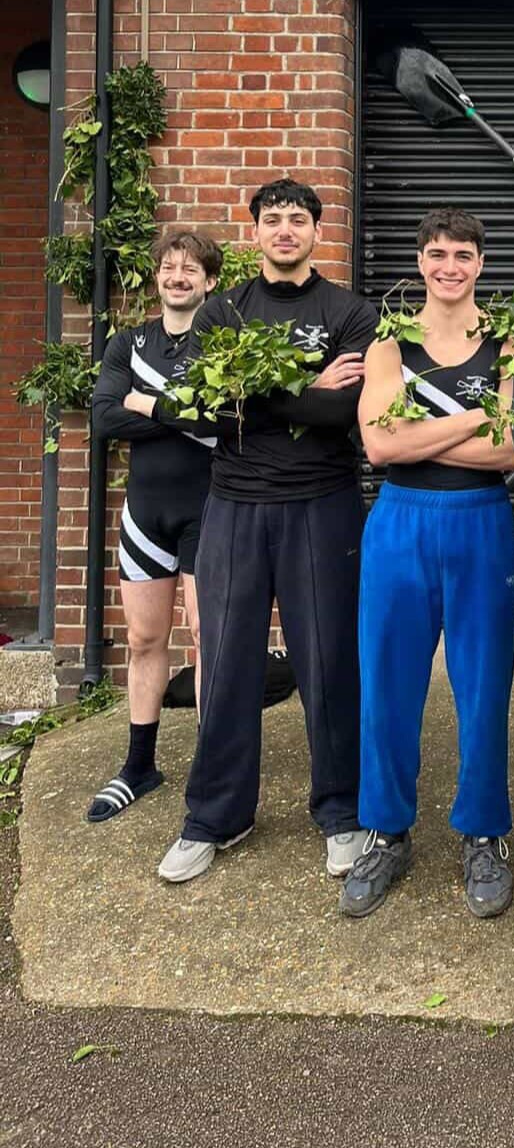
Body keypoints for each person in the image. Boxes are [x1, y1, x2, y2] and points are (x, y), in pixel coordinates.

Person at [149, 178, 377, 884]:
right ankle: (215, 816)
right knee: (226, 663)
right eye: (272, 218)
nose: (285, 229)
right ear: (255, 233)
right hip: (235, 505)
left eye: (298, 219)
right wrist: (308, 389)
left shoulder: (350, 311)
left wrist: (261, 394)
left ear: (317, 231)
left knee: (329, 663)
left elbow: (346, 413)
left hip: (323, 504)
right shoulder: (223, 311)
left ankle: (341, 811)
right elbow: (210, 408)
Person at [340, 207, 514, 921]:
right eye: (438, 254)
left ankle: (483, 831)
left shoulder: (507, 341)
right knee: (387, 683)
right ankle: (386, 830)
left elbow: (512, 449)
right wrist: (474, 420)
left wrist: (420, 431)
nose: (450, 267)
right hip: (400, 520)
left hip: (480, 521)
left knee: (484, 686)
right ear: (420, 262)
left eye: (463, 255)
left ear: (481, 264)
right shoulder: (391, 343)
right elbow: (380, 447)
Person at [86, 230, 221, 821]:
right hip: (146, 513)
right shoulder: (128, 343)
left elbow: (223, 420)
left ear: (210, 281)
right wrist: (178, 412)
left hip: (209, 510)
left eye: (190, 269)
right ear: (158, 277)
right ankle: (140, 765)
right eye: (169, 267)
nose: (177, 276)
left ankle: (213, 767)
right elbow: (104, 418)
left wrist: (145, 402)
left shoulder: (221, 343)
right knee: (144, 640)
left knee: (207, 640)